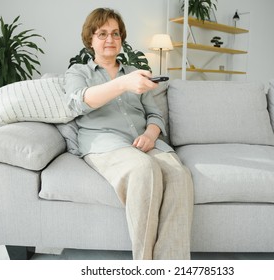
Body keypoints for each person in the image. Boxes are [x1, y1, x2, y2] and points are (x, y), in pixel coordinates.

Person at [64, 7, 194, 260]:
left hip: (145, 142)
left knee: (179, 175)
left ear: (121, 38)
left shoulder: (136, 73)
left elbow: (154, 115)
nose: (110, 40)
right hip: (106, 144)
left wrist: (150, 135)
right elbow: (79, 102)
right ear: (90, 39)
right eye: (102, 34)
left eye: (115, 34)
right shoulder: (78, 72)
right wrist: (123, 84)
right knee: (144, 170)